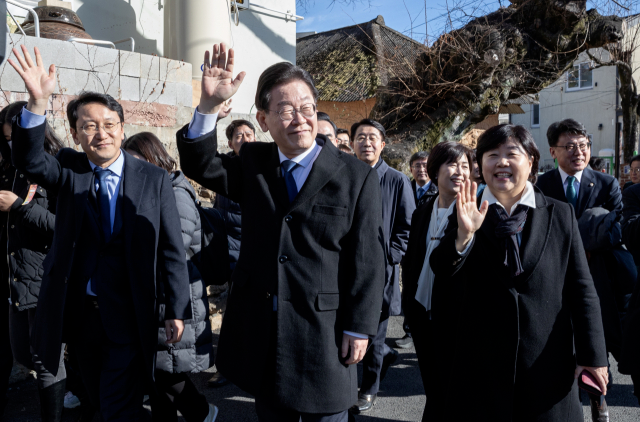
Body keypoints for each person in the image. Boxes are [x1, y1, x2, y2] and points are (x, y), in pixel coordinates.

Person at [176, 43, 385, 422]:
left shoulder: (356, 176)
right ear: (263, 118)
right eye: (286, 110)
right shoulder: (255, 163)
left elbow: (368, 258)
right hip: (267, 331)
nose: (300, 119)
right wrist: (207, 106)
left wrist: (360, 326)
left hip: (327, 330)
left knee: (330, 416)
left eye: (306, 108)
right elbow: (200, 163)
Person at [8, 45, 191, 421]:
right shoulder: (69, 168)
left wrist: (177, 309)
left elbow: (171, 248)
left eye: (109, 125)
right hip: (81, 317)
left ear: (122, 129)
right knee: (94, 397)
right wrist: (37, 102)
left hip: (129, 310)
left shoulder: (153, 179)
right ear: (76, 135)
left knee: (115, 406)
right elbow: (29, 159)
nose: (100, 134)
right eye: (89, 126)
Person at [430, 123, 608, 421]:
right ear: (480, 164)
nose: (501, 162)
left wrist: (593, 356)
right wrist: (463, 235)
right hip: (481, 366)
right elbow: (441, 270)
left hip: (548, 364)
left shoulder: (559, 214)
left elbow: (582, 289)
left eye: (512, 153)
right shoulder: (465, 210)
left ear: (531, 161)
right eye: (491, 154)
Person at [122, 132, 218, 422]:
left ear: (154, 157)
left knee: (168, 371)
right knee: (158, 373)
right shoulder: (149, 191)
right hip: (157, 293)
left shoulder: (176, 191)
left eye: (137, 161)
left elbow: (177, 242)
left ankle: (203, 412)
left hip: (176, 293)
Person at [536, 118, 623, 420]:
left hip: (596, 277)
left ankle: (600, 402)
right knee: (558, 344)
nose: (578, 152)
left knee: (595, 340)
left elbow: (616, 228)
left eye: (583, 145)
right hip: (554, 278)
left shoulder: (606, 183)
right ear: (553, 151)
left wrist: (583, 245)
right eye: (569, 146)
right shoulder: (541, 186)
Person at [0, 101, 64, 421]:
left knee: (45, 361)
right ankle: (76, 392)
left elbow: (61, 227)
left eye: (16, 137)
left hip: (45, 275)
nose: (12, 144)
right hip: (17, 278)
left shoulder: (54, 168)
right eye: (8, 139)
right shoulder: (9, 170)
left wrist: (19, 207)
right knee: (22, 353)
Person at [402, 141, 472, 421]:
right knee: (433, 383)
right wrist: (409, 306)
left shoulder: (475, 212)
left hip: (457, 317)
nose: (460, 171)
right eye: (452, 164)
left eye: (466, 166)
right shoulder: (423, 210)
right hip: (422, 313)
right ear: (435, 170)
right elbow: (411, 262)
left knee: (455, 388)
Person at [349, 119, 415, 413]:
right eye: (360, 137)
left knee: (375, 332)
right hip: (347, 267)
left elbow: (407, 225)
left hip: (381, 271)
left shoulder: (397, 180)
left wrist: (390, 255)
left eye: (372, 137)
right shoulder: (345, 175)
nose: (366, 142)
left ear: (382, 144)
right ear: (351, 144)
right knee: (348, 328)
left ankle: (369, 388)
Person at [208, 118, 257, 388]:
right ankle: (225, 367)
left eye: (250, 134)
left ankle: (250, 365)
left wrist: (224, 218)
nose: (246, 139)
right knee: (231, 312)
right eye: (239, 135)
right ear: (230, 142)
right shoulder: (225, 168)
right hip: (228, 250)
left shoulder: (263, 167)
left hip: (255, 250)